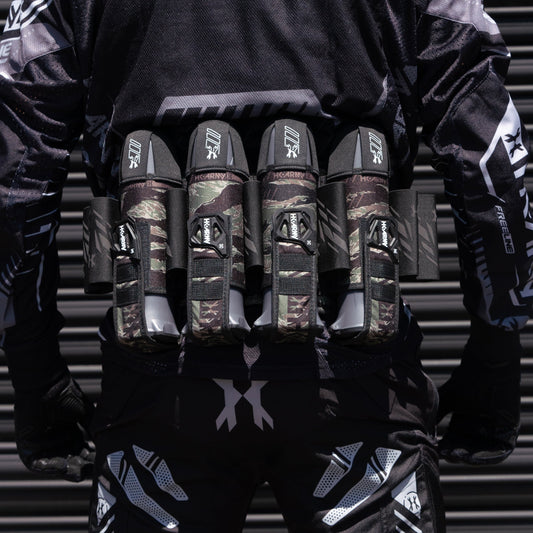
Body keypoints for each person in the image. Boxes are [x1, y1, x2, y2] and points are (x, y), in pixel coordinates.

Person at [0, 1, 531, 531]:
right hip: (353, 362)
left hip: (162, 361)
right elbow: (492, 161)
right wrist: (496, 355)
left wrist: (35, 375)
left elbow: (14, 183)